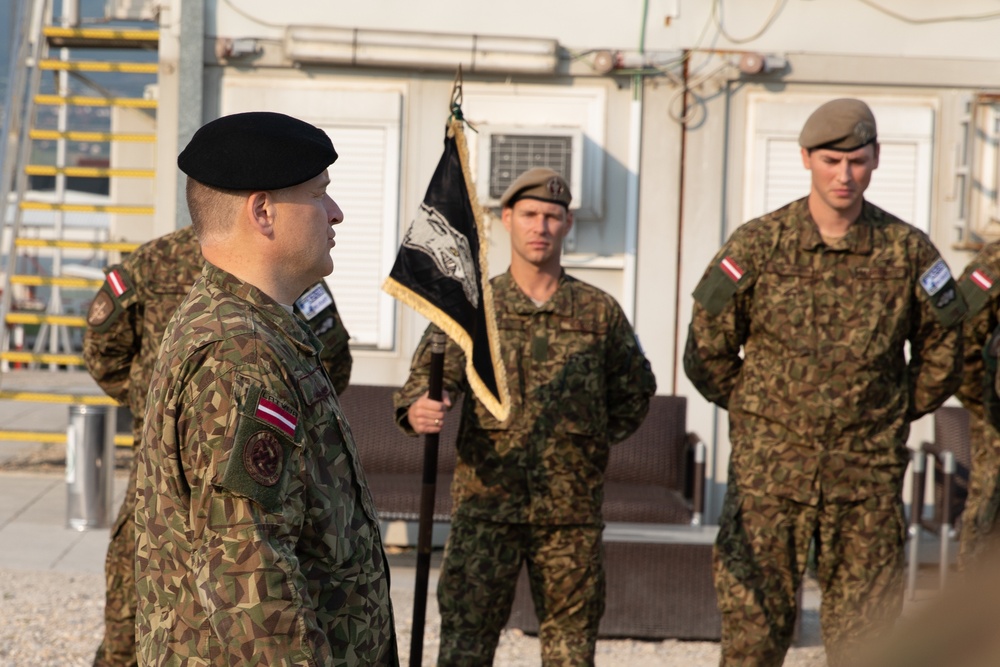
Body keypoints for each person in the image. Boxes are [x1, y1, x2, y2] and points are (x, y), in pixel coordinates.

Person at [684, 98, 966, 667]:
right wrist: (760, 412)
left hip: (865, 482)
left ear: (877, 160)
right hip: (769, 482)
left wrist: (890, 412)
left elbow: (945, 349)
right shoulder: (758, 244)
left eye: (857, 160)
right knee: (752, 642)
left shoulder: (908, 251)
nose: (845, 174)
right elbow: (706, 350)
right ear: (807, 159)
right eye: (832, 160)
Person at [133, 111, 397, 665]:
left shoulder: (259, 327)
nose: (337, 213)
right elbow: (251, 576)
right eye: (320, 194)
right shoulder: (239, 353)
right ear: (264, 211)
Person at [393, 167, 657, 666]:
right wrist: (420, 410)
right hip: (486, 509)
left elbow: (635, 393)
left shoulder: (599, 312)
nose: (541, 226)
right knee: (464, 647)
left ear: (568, 223)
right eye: (530, 214)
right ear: (506, 219)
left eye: (553, 216)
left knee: (570, 652)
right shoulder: (474, 307)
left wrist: (583, 442)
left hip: (569, 518)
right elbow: (422, 386)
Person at [83, 226, 353, 667]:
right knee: (135, 635)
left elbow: (102, 353)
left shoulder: (156, 260)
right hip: (182, 486)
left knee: (142, 635)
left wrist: (158, 412)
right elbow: (333, 361)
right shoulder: (278, 268)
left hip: (161, 489)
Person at [953, 243, 1000, 565]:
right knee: (987, 529)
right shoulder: (994, 263)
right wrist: (989, 409)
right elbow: (959, 343)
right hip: (997, 430)